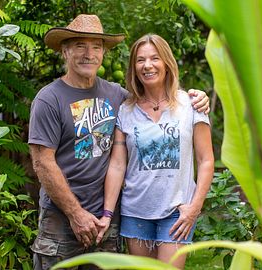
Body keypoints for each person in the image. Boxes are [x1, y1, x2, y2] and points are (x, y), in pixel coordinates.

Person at [28, 15, 210, 270]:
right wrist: (75, 214)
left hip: (105, 221)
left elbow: (153, 99)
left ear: (103, 53)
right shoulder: (49, 99)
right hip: (62, 217)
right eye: (80, 46)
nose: (88, 54)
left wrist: (198, 97)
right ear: (65, 51)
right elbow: (42, 163)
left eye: (96, 47)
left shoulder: (117, 97)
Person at [96, 34, 214, 269]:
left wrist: (194, 208)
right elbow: (118, 165)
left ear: (167, 63)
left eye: (154, 58)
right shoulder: (126, 110)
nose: (147, 65)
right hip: (136, 211)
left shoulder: (191, 104)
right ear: (134, 67)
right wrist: (108, 213)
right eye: (140, 60)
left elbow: (206, 160)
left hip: (176, 211)